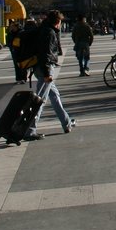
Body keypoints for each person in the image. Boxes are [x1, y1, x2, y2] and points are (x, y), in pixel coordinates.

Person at [25, 10, 74, 140]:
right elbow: (45, 54)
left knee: (54, 95)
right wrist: (47, 73)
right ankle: (30, 130)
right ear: (58, 21)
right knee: (40, 100)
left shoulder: (43, 29)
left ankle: (66, 122)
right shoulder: (49, 32)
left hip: (39, 67)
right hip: (45, 68)